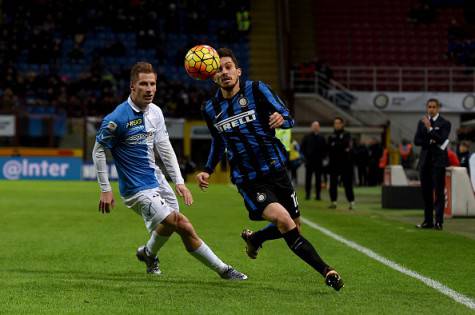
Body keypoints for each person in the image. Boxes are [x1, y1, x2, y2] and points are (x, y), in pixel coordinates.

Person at [196, 48, 344, 291]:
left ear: (238, 71)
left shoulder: (256, 89)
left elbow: (288, 116)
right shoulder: (210, 108)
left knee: (295, 226)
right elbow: (218, 141)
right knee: (284, 221)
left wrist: (281, 119)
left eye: (228, 67)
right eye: (219, 69)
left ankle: (255, 238)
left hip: (277, 171)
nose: (224, 72)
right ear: (213, 77)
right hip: (249, 179)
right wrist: (208, 169)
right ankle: (327, 271)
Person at [92, 61, 247, 280]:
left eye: (153, 84)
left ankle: (148, 253)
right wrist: (105, 189)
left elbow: (165, 148)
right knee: (181, 223)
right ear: (132, 87)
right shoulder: (117, 119)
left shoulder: (155, 112)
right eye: (144, 84)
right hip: (136, 190)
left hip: (156, 179)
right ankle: (223, 269)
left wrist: (179, 182)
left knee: (170, 224)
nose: (149, 89)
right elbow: (98, 151)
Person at [414, 98, 451, 230]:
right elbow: (416, 141)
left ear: (438, 108)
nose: (431, 109)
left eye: (434, 107)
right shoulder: (421, 122)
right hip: (425, 162)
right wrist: (430, 141)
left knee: (439, 192)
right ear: (426, 107)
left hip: (438, 162)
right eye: (429, 106)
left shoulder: (445, 123)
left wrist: (430, 129)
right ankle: (428, 221)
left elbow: (442, 139)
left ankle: (439, 222)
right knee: (426, 193)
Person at [327, 117, 355, 210]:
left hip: (346, 164)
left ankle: (351, 202)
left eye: (339, 123)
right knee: (333, 183)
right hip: (334, 163)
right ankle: (333, 202)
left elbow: (347, 147)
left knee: (347, 183)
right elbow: (330, 149)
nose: (337, 125)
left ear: (342, 124)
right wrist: (340, 147)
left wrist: (337, 146)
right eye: (335, 123)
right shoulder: (331, 136)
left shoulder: (347, 135)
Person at [300, 121, 327, 200]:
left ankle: (318, 195)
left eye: (317, 126)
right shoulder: (307, 137)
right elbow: (302, 148)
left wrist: (323, 157)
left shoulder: (322, 138)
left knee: (318, 179)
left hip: (319, 162)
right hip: (309, 161)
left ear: (319, 127)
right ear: (311, 127)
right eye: (314, 126)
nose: (315, 127)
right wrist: (305, 158)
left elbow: (325, 149)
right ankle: (308, 194)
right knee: (308, 179)